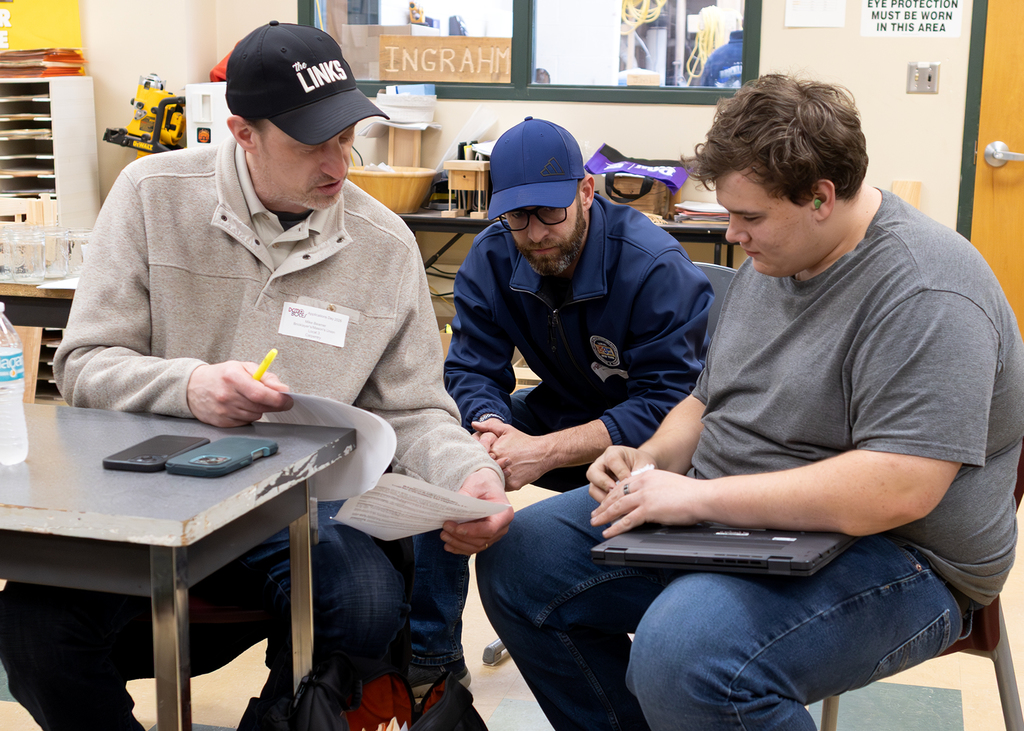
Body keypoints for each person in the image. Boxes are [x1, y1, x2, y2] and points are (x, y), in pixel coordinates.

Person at [0, 21, 510, 731]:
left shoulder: (385, 246)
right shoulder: (151, 196)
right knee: (30, 621)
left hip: (299, 503)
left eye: (346, 136)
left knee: (363, 600)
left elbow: (417, 410)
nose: (338, 163)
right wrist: (189, 388)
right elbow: (84, 364)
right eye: (311, 143)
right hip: (151, 489)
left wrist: (468, 472)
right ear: (242, 132)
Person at [476, 74, 1024, 731]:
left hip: (903, 553)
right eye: (729, 213)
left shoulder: (928, 290)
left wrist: (696, 498)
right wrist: (646, 461)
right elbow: (707, 399)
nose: (733, 235)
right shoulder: (779, 257)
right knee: (519, 560)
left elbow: (899, 488)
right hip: (746, 511)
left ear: (821, 197)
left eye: (750, 216)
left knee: (685, 654)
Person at [407, 116, 713, 693]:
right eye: (518, 216)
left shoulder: (653, 268)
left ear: (585, 191)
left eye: (551, 211)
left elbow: (670, 402)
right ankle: (433, 659)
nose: (536, 232)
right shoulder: (492, 257)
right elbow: (472, 368)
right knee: (441, 455)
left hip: (653, 446)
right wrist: (490, 429)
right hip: (561, 412)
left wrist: (545, 452)